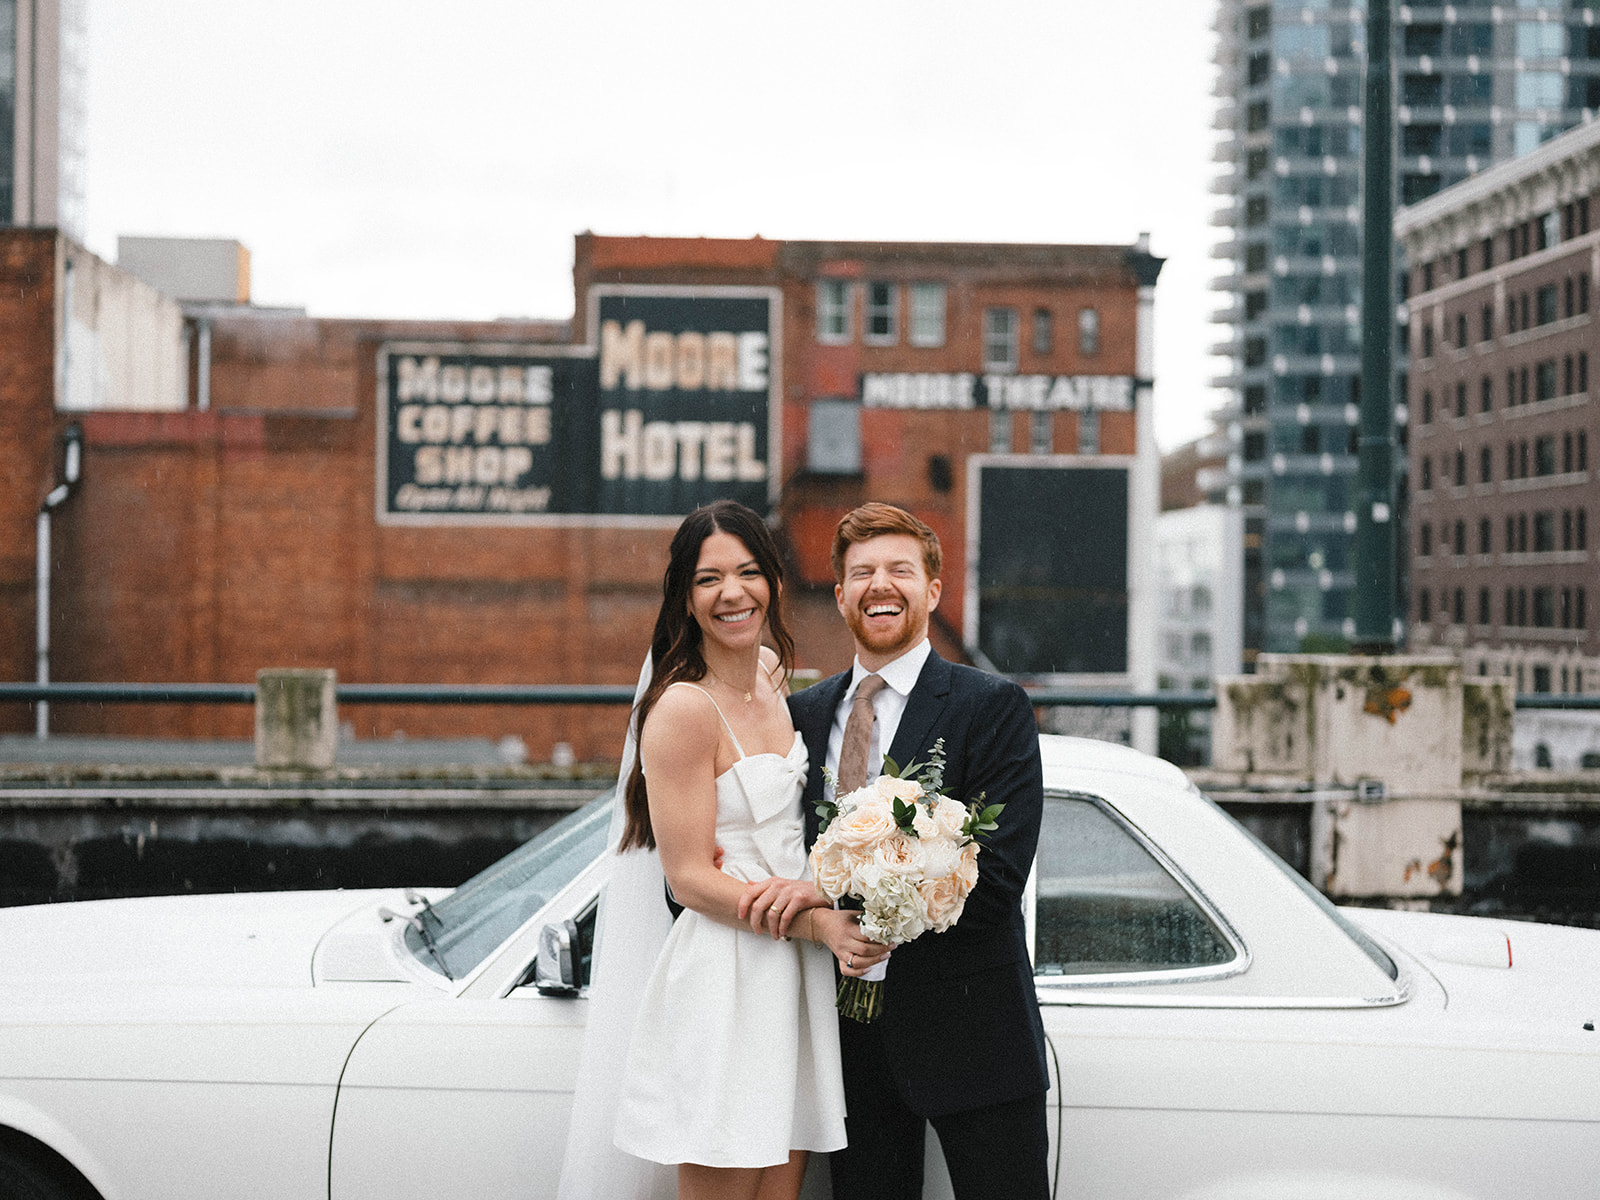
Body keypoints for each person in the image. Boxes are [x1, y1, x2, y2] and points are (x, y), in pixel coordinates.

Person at [557, 499, 886, 1200]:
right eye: (708, 580)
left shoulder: (772, 673)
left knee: (780, 1187)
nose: (732, 593)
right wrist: (818, 922)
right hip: (727, 972)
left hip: (792, 971)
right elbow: (687, 881)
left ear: (771, 580)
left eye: (747, 573)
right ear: (684, 596)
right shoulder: (681, 710)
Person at [775, 502, 1050, 1200]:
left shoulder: (991, 707)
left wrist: (867, 924)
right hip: (847, 1049)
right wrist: (820, 926)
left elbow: (995, 880)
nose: (880, 585)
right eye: (861, 573)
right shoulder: (801, 718)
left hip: (975, 1030)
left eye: (901, 569)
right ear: (839, 596)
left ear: (933, 590)